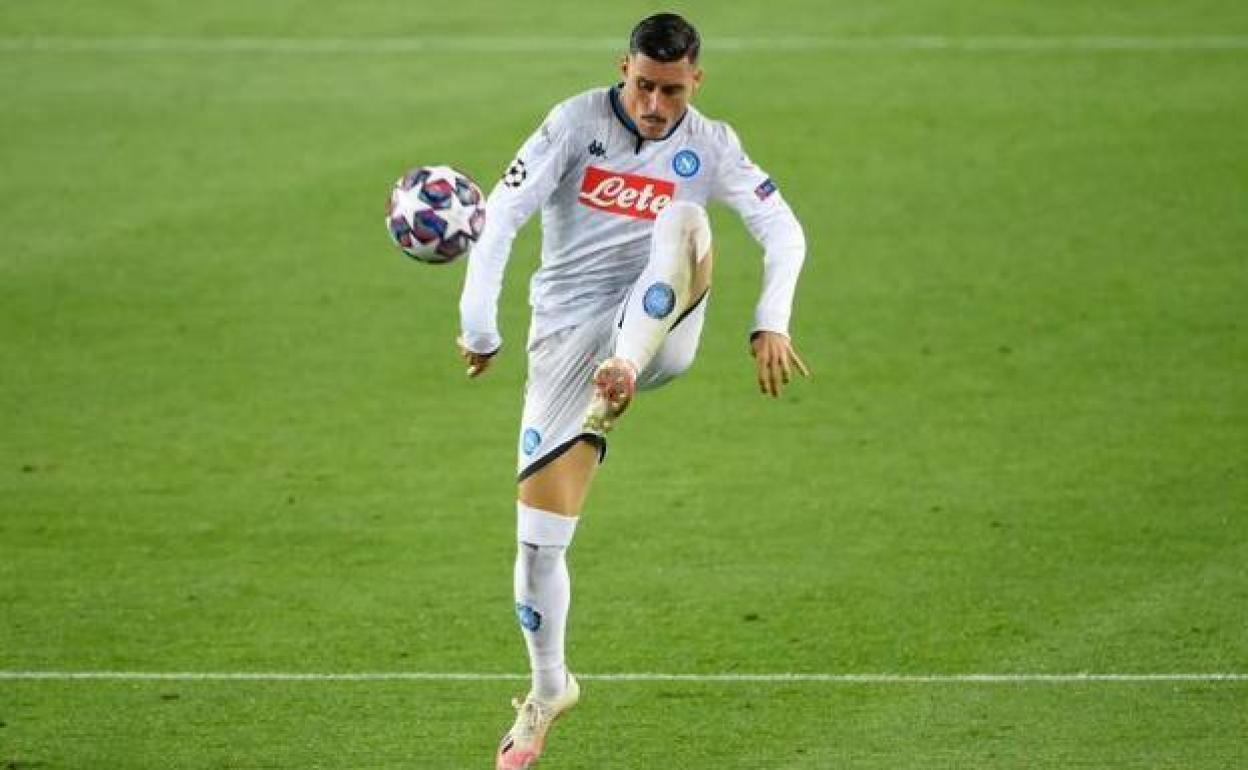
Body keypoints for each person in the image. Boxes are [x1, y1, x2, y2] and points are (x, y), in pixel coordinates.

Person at [456, 12, 809, 769]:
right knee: (536, 544)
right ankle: (548, 689)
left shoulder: (710, 144)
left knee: (683, 218)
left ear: (696, 81)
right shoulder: (572, 123)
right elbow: (502, 215)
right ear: (623, 68)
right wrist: (478, 326)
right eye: (644, 86)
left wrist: (768, 321)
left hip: (662, 327)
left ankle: (623, 366)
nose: (655, 105)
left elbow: (785, 231)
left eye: (672, 91)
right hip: (566, 341)